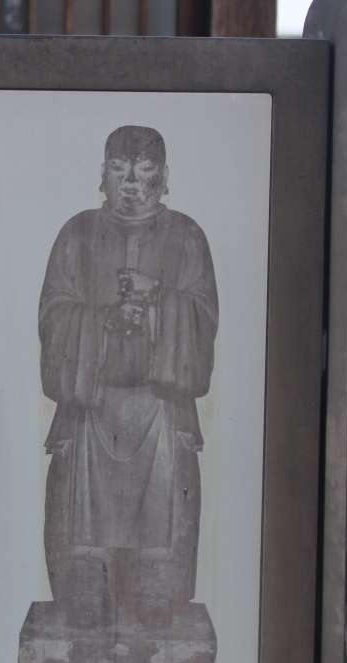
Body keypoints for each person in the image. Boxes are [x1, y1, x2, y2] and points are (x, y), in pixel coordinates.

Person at [39, 125, 218, 632]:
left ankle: (155, 583)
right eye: (120, 170)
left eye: (144, 172)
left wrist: (156, 301)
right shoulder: (76, 234)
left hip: (160, 409)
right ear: (103, 174)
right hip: (91, 409)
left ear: (164, 176)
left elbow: (204, 319)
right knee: (83, 590)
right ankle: (87, 585)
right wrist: (103, 321)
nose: (132, 184)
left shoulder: (187, 236)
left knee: (158, 596)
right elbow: (53, 315)